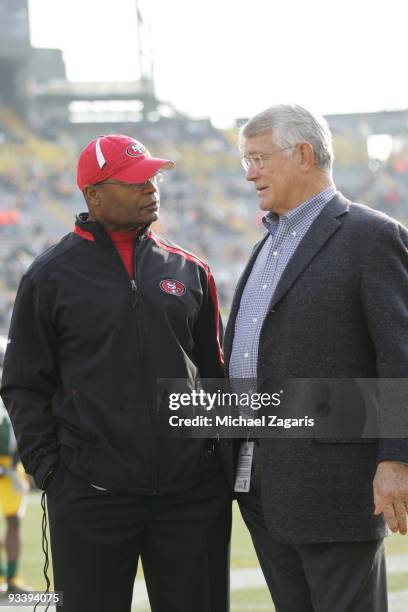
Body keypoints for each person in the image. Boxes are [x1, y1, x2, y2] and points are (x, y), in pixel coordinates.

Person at [0, 134, 231, 612]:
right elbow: (23, 384)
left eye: (152, 176)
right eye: (135, 180)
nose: (151, 187)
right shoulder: (48, 277)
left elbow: (215, 376)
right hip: (90, 497)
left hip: (189, 498)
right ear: (94, 194)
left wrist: (214, 461)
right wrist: (54, 472)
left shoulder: (191, 271)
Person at [224, 104, 408, 612]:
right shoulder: (267, 244)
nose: (250, 172)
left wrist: (397, 458)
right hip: (260, 480)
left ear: (303, 154)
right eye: (246, 160)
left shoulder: (372, 237)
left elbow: (401, 356)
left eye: (259, 157)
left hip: (335, 487)